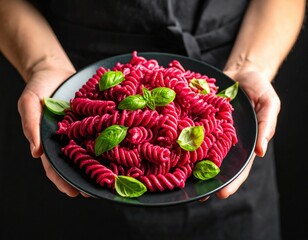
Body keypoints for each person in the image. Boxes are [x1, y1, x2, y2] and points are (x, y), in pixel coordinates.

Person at [0, 0, 305, 239]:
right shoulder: (101, 111)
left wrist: (251, 64)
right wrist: (43, 62)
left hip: (226, 79)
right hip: (72, 67)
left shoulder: (210, 120)